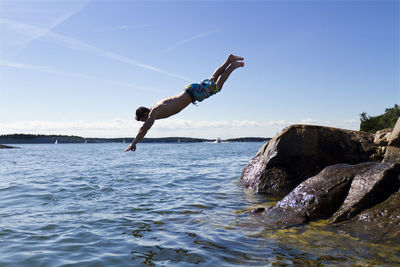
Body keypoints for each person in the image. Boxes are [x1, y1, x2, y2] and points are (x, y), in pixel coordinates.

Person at [124, 54, 244, 152]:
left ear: (145, 114)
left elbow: (144, 129)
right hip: (190, 90)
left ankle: (233, 66)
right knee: (212, 78)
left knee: (217, 87)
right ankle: (229, 59)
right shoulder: (157, 106)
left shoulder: (153, 112)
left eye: (143, 119)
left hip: (193, 94)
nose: (145, 121)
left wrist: (134, 143)